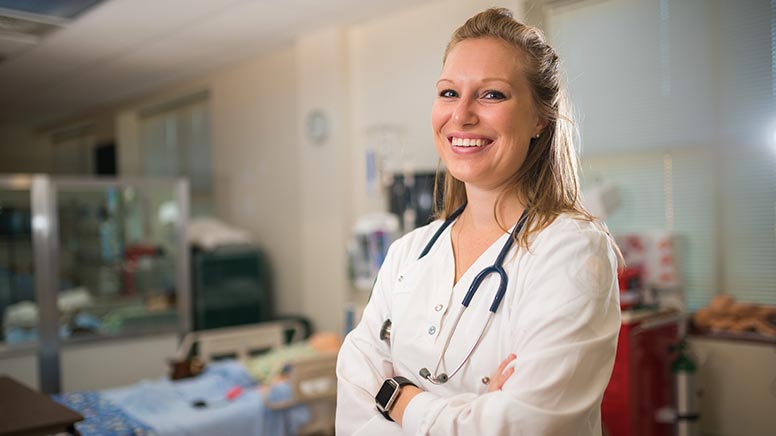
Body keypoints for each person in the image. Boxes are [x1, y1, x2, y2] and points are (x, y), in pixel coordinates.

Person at [336, 7, 621, 435]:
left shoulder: (572, 250)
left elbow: (525, 425)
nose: (462, 114)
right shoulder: (408, 254)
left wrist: (398, 398)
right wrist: (473, 414)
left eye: (492, 95)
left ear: (540, 118)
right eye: (449, 93)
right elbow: (353, 407)